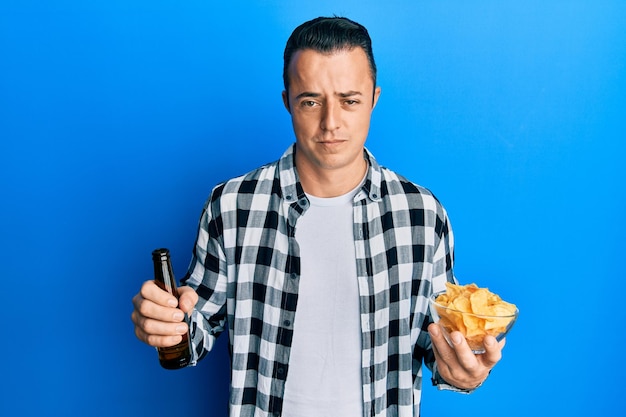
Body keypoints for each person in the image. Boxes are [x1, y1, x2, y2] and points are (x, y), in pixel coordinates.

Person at [131, 16, 505, 417]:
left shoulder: (422, 214)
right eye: (310, 101)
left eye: (349, 100)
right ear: (288, 101)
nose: (331, 123)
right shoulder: (231, 204)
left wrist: (464, 372)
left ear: (373, 99)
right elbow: (196, 327)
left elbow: (437, 342)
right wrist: (168, 325)